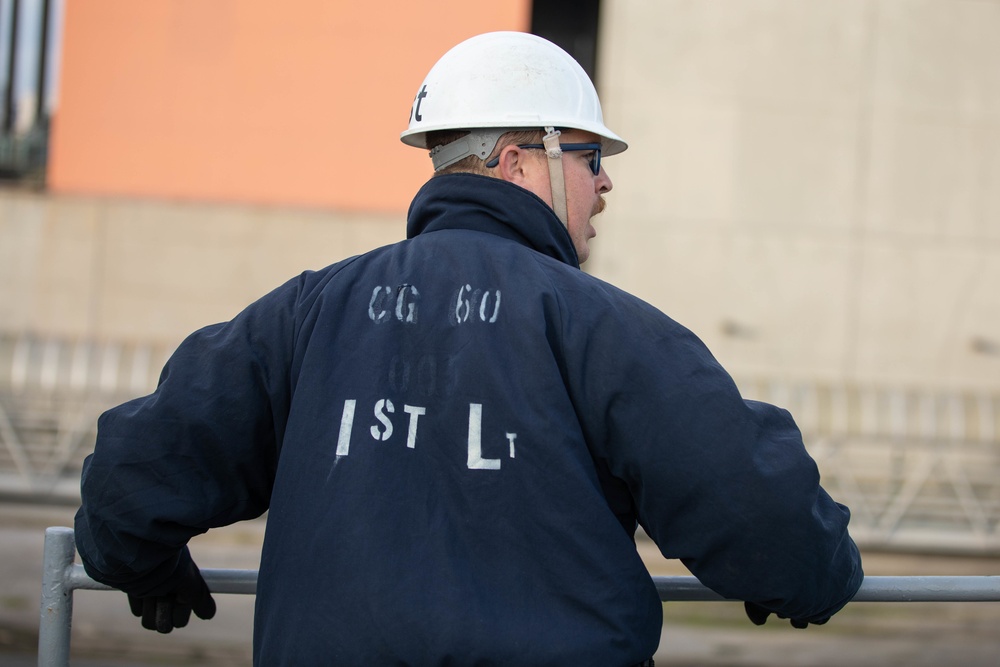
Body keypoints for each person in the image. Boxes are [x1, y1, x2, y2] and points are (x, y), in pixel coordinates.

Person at [75, 31, 863, 666]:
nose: (606, 186)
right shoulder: (605, 330)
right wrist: (807, 575)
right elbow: (764, 516)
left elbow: (133, 476)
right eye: (593, 159)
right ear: (523, 159)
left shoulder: (308, 313)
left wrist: (140, 561)